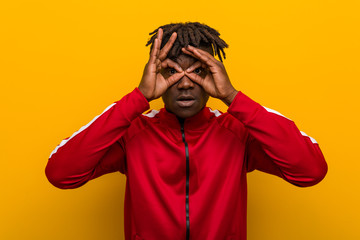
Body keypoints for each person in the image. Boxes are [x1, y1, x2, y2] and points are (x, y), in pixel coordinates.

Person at [45, 22, 328, 240]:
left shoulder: (238, 131)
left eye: (198, 71)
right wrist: (138, 99)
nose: (185, 83)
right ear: (153, 75)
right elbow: (61, 174)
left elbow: (310, 171)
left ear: (215, 73)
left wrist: (232, 97)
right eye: (171, 72)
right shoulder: (132, 132)